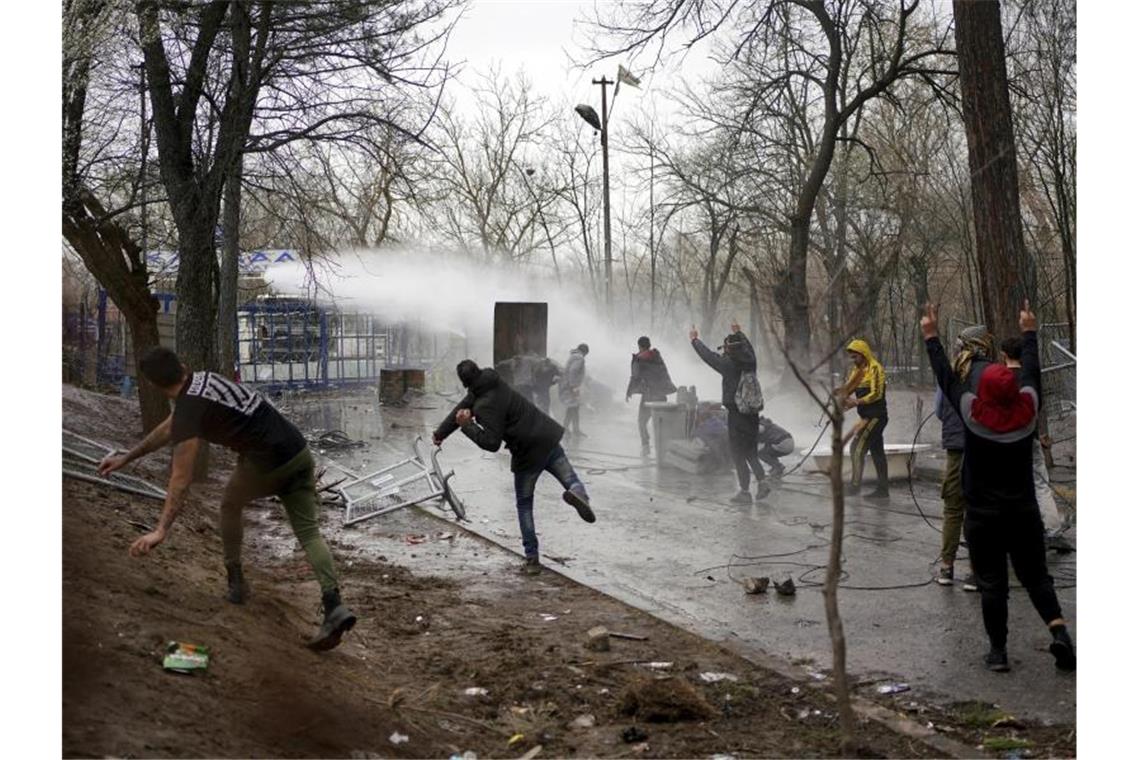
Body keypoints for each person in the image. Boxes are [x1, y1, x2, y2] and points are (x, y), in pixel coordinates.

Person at [97, 347, 356, 651]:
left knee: (230, 505)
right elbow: (169, 428)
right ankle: (334, 604)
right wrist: (127, 458)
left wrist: (161, 530)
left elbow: (181, 479)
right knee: (310, 533)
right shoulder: (202, 381)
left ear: (154, 385)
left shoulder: (190, 408)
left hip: (265, 463)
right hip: (298, 452)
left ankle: (236, 582)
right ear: (182, 365)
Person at [921, 301, 1075, 673]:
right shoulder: (1028, 410)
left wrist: (931, 336)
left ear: (984, 392)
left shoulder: (974, 413)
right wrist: (1030, 332)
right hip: (1023, 513)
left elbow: (945, 376)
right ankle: (1060, 635)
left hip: (984, 517)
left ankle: (998, 652)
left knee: (993, 584)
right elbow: (1032, 374)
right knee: (1037, 577)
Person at [434, 360, 596, 575]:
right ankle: (578, 493)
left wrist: (467, 426)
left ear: (465, 383)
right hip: (547, 437)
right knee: (570, 479)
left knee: (525, 504)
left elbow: (491, 443)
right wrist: (441, 433)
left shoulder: (483, 404)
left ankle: (532, 558)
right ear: (479, 371)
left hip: (527, 454)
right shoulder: (495, 382)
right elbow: (462, 406)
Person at [1000, 336, 1073, 553]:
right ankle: (1052, 529)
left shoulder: (999, 377)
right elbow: (1037, 407)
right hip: (1028, 439)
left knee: (1006, 487)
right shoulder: (1030, 378)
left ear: (1004, 355)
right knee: (1040, 485)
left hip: (1005, 441)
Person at [690, 323, 770, 503]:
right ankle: (763, 482)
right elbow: (748, 347)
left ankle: (744, 492)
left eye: (726, 347)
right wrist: (739, 333)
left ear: (729, 349)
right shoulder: (751, 362)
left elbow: (708, 357)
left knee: (738, 454)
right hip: (752, 415)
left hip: (736, 415)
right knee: (751, 452)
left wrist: (695, 340)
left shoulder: (728, 364)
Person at [934, 385, 977, 591]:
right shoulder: (989, 371)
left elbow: (939, 410)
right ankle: (974, 572)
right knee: (976, 511)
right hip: (981, 445)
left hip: (954, 447)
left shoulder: (947, 375)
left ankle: (946, 568)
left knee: (952, 509)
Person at [837, 339, 889, 499]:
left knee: (856, 448)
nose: (853, 360)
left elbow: (876, 394)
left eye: (855, 357)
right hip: (866, 416)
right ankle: (883, 490)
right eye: (852, 358)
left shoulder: (875, 368)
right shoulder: (856, 371)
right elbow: (849, 389)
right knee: (877, 452)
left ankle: (855, 486)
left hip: (876, 417)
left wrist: (856, 402)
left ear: (863, 354)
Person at [625, 336, 678, 455]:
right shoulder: (657, 357)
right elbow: (664, 374)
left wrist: (629, 392)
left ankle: (645, 446)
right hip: (662, 395)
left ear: (640, 346)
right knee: (661, 422)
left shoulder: (638, 359)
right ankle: (663, 449)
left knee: (642, 421)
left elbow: (635, 377)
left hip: (649, 396)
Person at [559, 343, 589, 438]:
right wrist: (573, 387)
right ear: (584, 352)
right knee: (573, 407)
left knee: (574, 408)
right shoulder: (580, 358)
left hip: (568, 386)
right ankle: (567, 429)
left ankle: (574, 429)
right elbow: (573, 371)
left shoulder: (573, 356)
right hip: (571, 387)